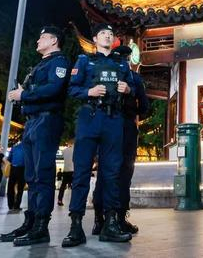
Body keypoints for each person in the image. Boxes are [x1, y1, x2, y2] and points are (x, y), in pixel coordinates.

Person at [62, 24, 135, 247]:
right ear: (95, 39)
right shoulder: (85, 60)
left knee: (112, 172)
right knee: (81, 171)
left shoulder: (121, 64)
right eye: (103, 33)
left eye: (111, 34)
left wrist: (127, 89)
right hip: (90, 117)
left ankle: (110, 223)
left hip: (114, 120)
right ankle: (76, 226)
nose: (107, 36)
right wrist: (89, 92)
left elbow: (133, 89)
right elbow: (71, 89)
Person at [0, 26, 71, 247]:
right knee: (31, 176)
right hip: (32, 122)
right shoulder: (41, 65)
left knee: (43, 174)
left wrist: (24, 94)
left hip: (47, 120)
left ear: (54, 40)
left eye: (42, 37)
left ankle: (41, 226)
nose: (38, 41)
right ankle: (30, 222)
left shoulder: (59, 62)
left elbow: (54, 89)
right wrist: (21, 94)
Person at [92, 45, 149, 236]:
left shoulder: (102, 74)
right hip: (126, 127)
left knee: (104, 171)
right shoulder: (134, 78)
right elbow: (144, 107)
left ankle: (99, 220)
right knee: (124, 172)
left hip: (104, 125)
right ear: (129, 59)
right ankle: (119, 219)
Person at [5, 140, 26, 212]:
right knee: (20, 188)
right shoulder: (28, 147)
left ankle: (10, 205)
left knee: (10, 187)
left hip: (13, 169)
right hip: (23, 169)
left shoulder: (14, 148)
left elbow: (9, 159)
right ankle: (17, 206)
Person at [57, 141, 74, 206]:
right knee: (75, 187)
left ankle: (59, 200)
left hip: (66, 171)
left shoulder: (64, 151)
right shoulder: (75, 150)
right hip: (73, 171)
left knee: (63, 186)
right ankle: (74, 202)